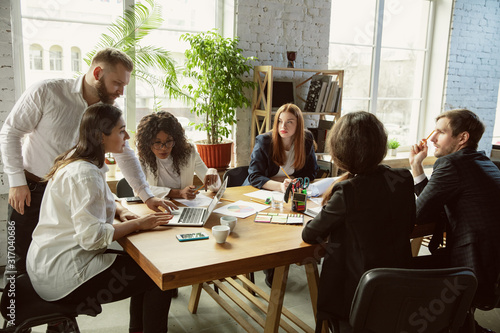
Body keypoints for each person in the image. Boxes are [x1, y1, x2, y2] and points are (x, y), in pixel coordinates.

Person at [0, 48, 176, 274]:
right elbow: (11, 132)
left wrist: (147, 195)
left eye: (124, 85)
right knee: (18, 266)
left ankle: (60, 298)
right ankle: (15, 308)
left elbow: (125, 153)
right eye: (117, 84)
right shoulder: (47, 91)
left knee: (66, 263)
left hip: (72, 197)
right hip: (31, 191)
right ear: (97, 73)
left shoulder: (108, 109)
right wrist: (16, 182)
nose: (121, 92)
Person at [26, 104, 174, 333]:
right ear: (100, 136)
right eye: (121, 130)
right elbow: (92, 238)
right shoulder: (85, 174)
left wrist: (118, 210)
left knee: (146, 267)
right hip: (62, 274)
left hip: (45, 263)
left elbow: (95, 197)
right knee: (158, 275)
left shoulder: (78, 160)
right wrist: (139, 223)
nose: (126, 136)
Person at [302, 111, 415, 326]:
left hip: (360, 295)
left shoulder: (347, 191)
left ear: (341, 150)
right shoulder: (402, 177)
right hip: (400, 290)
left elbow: (310, 234)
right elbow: (408, 225)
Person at [409, 109, 500, 333]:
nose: (432, 138)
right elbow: (434, 204)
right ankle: (463, 324)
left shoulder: (451, 164)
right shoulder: (484, 162)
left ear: (462, 138)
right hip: (492, 263)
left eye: (440, 132)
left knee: (401, 268)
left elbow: (420, 214)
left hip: (475, 265)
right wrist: (417, 166)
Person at [135, 111, 221, 199]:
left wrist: (212, 172)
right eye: (157, 142)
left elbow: (215, 188)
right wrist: (178, 193)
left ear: (176, 139)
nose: (164, 148)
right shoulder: (143, 156)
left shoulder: (189, 152)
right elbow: (138, 189)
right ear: (147, 142)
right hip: (157, 207)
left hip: (185, 207)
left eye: (168, 141)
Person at [244, 103, 319, 192]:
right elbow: (254, 177)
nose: (283, 126)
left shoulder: (306, 139)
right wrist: (280, 186)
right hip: (257, 191)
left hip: (288, 191)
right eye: (280, 121)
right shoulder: (264, 141)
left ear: (298, 125)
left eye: (289, 122)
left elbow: (311, 173)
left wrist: (291, 179)